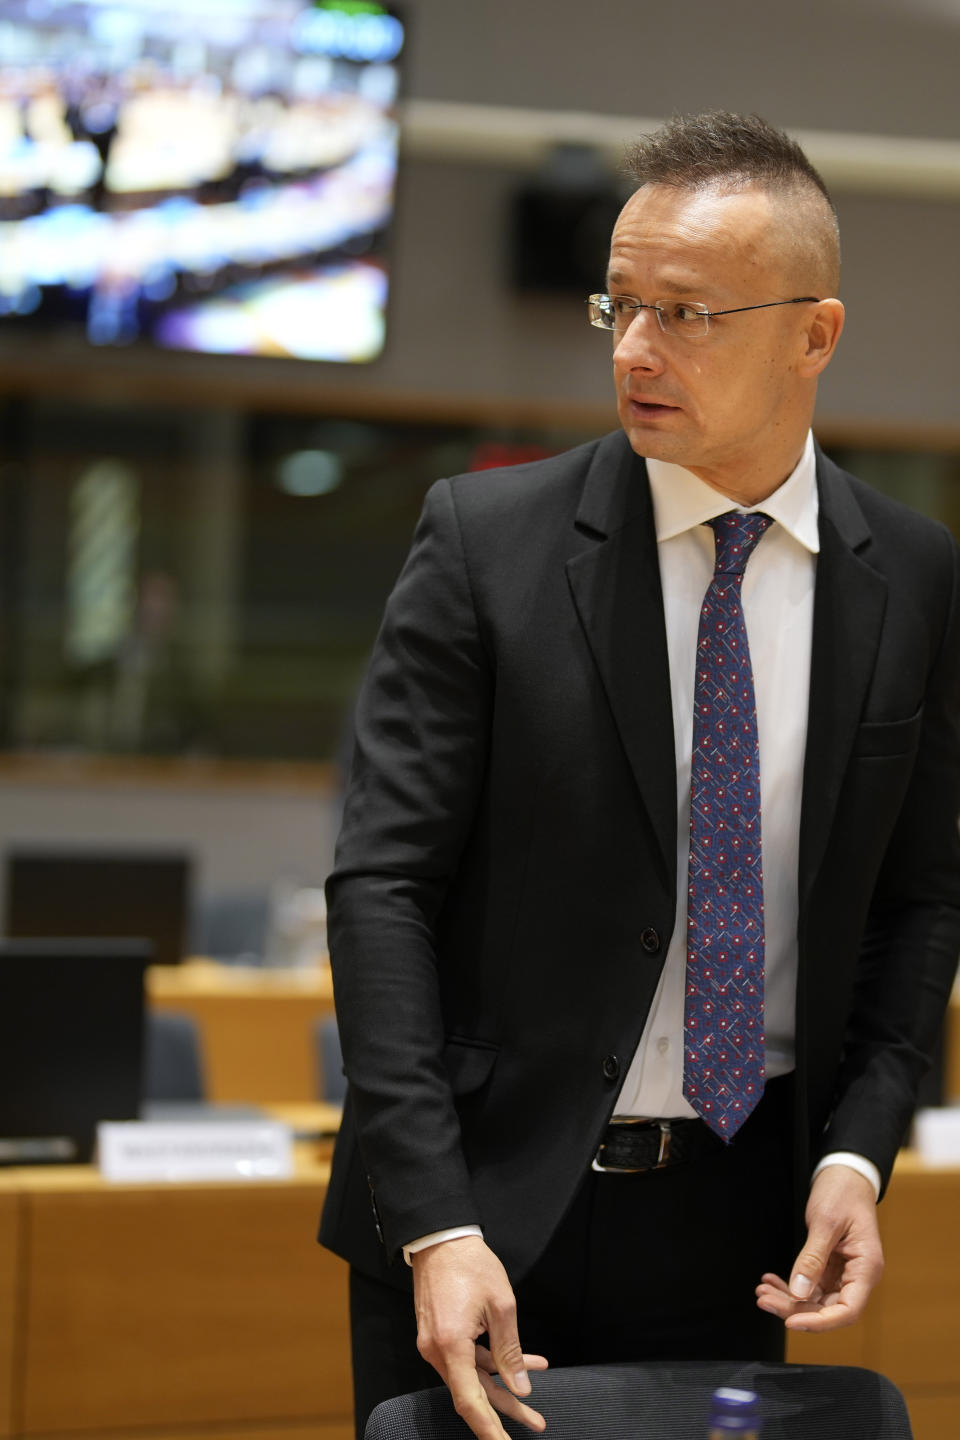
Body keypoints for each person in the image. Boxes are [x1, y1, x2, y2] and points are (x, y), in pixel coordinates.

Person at [320, 111, 960, 1440]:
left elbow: (921, 903)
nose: (634, 349)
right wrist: (432, 1219)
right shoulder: (483, 542)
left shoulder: (914, 577)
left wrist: (858, 1150)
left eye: (686, 314)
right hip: (480, 1210)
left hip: (742, 1221)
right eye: (619, 304)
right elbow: (380, 886)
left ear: (814, 335)